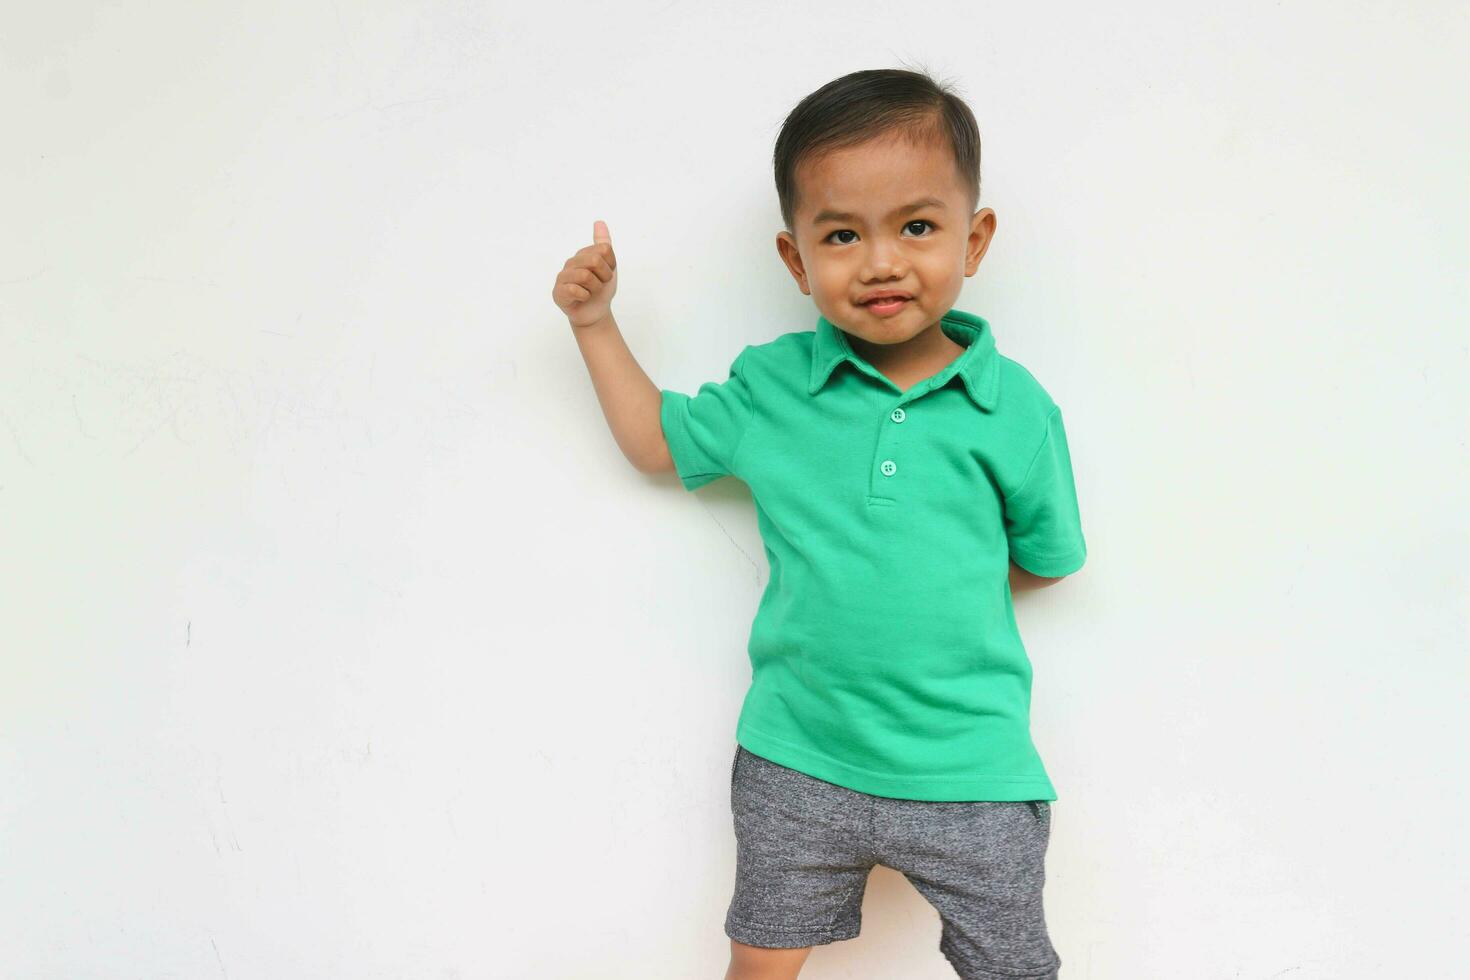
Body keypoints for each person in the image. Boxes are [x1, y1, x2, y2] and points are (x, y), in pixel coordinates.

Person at [552, 66, 1086, 980]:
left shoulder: (1017, 409)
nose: (881, 261)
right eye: (842, 234)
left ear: (975, 236)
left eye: (917, 226)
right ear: (796, 260)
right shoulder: (771, 388)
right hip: (798, 761)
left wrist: (934, 594)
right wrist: (596, 323)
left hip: (972, 770)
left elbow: (1046, 558)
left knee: (1016, 969)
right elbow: (654, 442)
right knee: (759, 963)